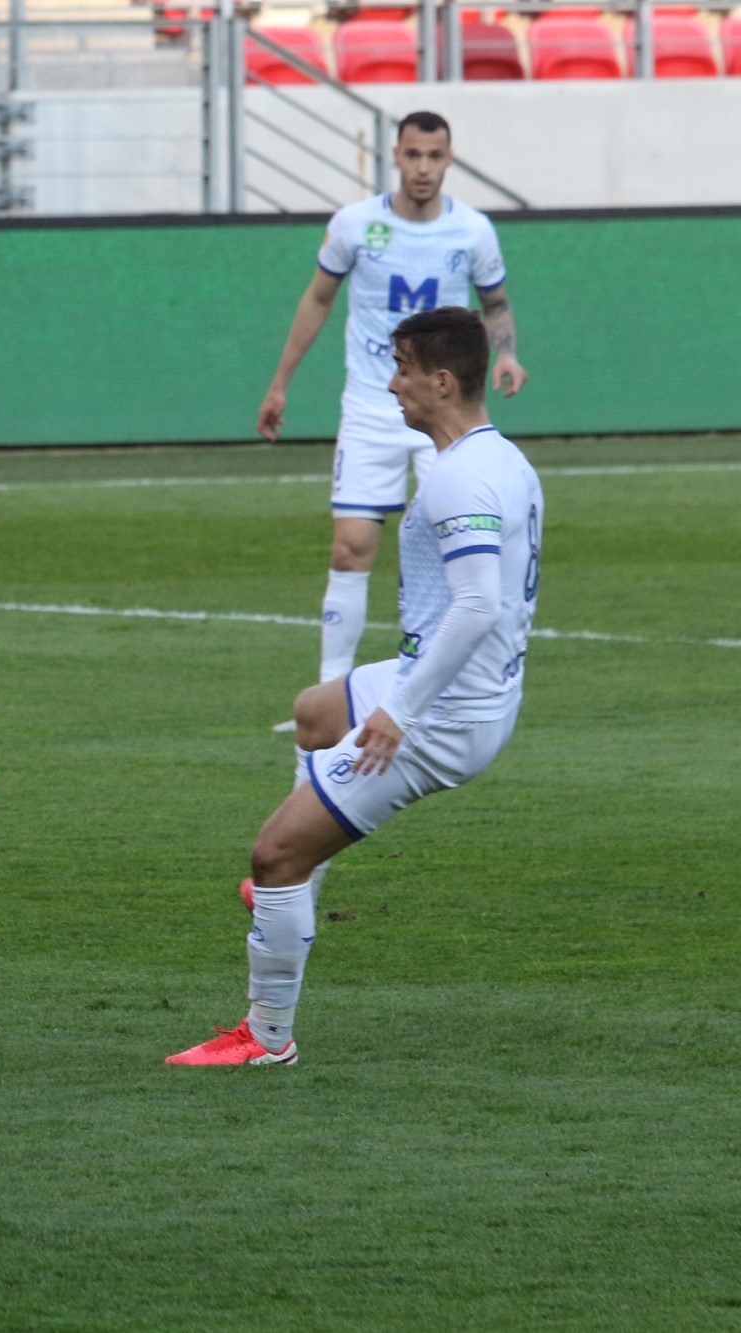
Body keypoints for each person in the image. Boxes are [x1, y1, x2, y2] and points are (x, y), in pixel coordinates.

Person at [170, 307, 542, 1067]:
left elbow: (479, 605)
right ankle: (300, 890)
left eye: (403, 368)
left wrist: (398, 711)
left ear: (442, 381)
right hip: (454, 685)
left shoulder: (461, 478)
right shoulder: (501, 459)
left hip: (441, 716)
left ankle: (267, 1036)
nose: (392, 383)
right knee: (314, 714)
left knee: (273, 854)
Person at [256, 111, 527, 692]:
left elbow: (495, 303)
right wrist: (281, 382)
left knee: (453, 552)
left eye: (435, 156)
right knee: (350, 550)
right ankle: (332, 690)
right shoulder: (355, 225)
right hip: (371, 404)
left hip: (443, 409)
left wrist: (507, 354)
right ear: (395, 156)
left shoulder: (473, 231)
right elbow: (318, 298)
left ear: (449, 159)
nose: (423, 167)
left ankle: (442, 683)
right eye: (413, 154)